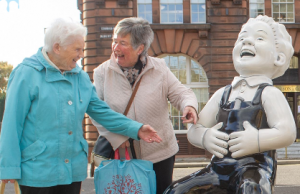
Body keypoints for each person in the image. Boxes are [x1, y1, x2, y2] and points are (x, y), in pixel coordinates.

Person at [0, 17, 162, 194]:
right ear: (57, 47)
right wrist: (8, 167)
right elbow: (12, 124)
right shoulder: (26, 73)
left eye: (82, 48)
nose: (81, 54)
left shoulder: (80, 77)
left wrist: (136, 129)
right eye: (77, 49)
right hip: (37, 173)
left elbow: (102, 112)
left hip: (72, 173)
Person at [164, 15, 296, 193]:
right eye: (242, 38)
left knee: (252, 189)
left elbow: (287, 132)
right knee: (176, 190)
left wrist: (256, 140)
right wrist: (205, 136)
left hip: (253, 168)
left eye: (259, 38)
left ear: (278, 58)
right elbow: (196, 128)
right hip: (217, 170)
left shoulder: (269, 93)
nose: (247, 41)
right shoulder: (223, 94)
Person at [91, 17, 198, 194]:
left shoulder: (159, 67)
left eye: (123, 43)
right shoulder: (102, 72)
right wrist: (117, 138)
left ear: (140, 47)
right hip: (122, 155)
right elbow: (96, 111)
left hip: (160, 153)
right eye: (114, 41)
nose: (116, 48)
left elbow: (180, 92)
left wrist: (189, 106)